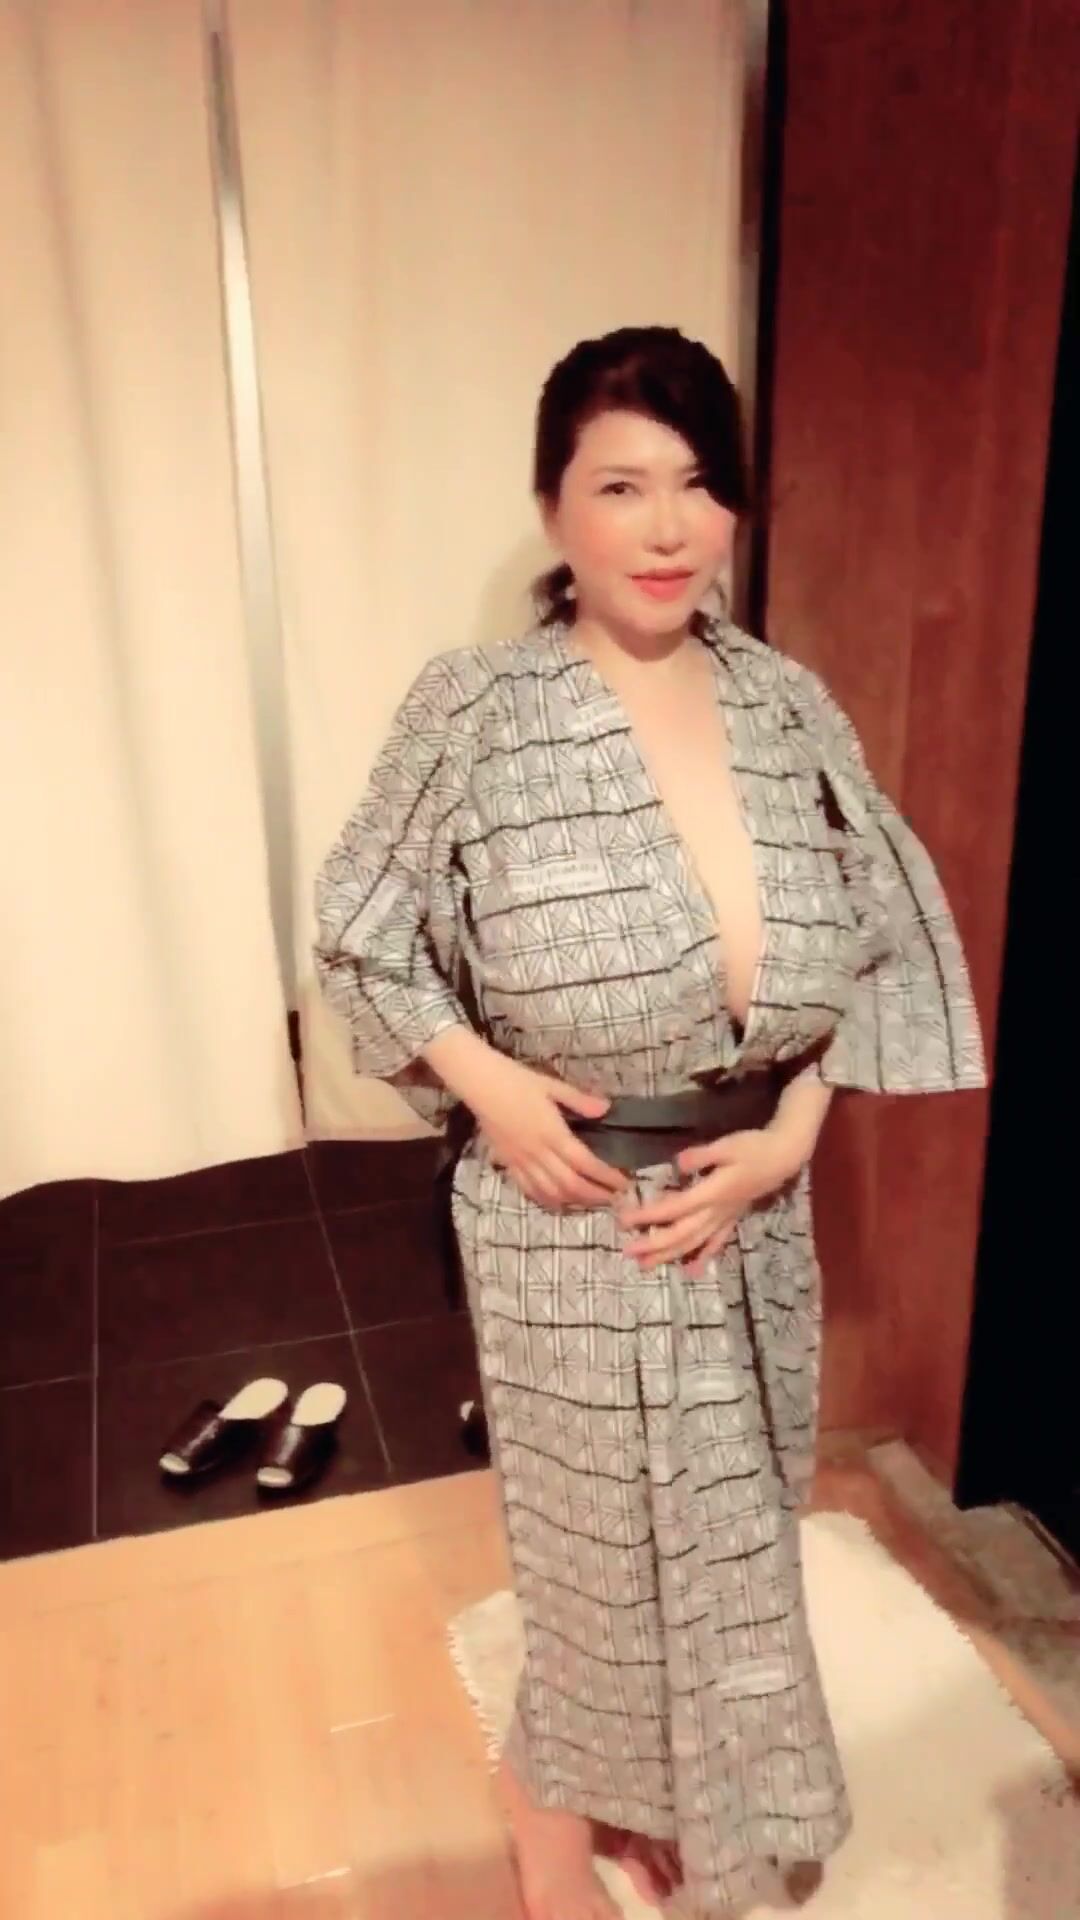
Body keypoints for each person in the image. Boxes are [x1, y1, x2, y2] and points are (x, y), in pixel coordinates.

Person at [314, 326, 986, 1920]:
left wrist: (799, 1130)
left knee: (737, 1540)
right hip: (569, 1215)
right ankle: (551, 1825)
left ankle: (687, 1795)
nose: (669, 528)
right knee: (601, 1567)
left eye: (698, 484)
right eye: (621, 487)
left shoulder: (786, 704)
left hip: (751, 1210)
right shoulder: (476, 709)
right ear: (554, 507)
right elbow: (358, 929)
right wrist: (483, 1081)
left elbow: (871, 939)